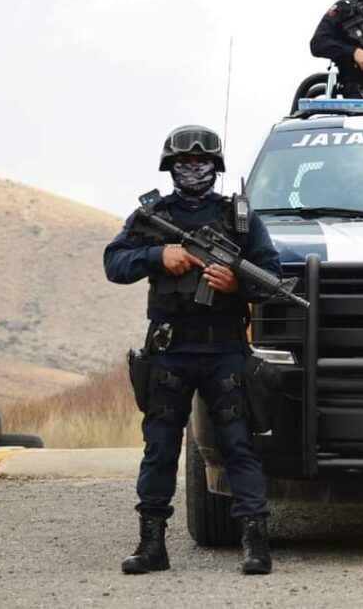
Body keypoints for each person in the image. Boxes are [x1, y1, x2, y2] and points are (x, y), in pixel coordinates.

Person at [104, 125, 279, 576]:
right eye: (185, 163)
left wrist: (236, 284)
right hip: (170, 348)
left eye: (201, 163)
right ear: (171, 167)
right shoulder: (152, 216)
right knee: (160, 446)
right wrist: (157, 256)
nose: (193, 170)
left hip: (224, 349)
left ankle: (255, 543)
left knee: (238, 444)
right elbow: (114, 263)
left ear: (215, 167)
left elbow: (271, 278)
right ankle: (151, 544)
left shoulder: (238, 217)